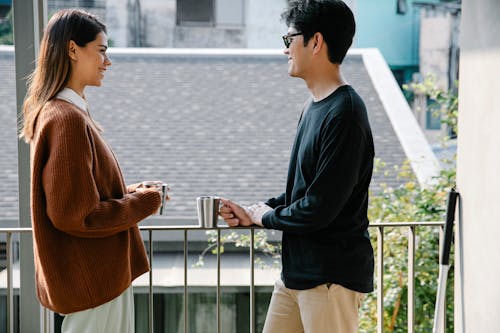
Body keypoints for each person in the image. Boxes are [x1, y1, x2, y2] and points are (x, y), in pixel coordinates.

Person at [219, 1, 374, 332]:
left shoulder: (345, 113)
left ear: (315, 42)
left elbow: (319, 208)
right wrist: (254, 212)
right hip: (296, 276)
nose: (285, 50)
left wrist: (266, 216)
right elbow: (302, 193)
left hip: (330, 280)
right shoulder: (313, 107)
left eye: (289, 39)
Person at [20, 9, 163, 332]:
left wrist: (130, 193)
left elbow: (82, 197)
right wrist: (143, 203)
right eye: (101, 50)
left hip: (95, 285)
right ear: (73, 50)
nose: (107, 62)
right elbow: (75, 214)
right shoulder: (66, 119)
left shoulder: (63, 114)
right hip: (94, 285)